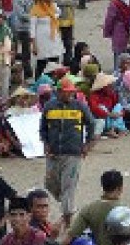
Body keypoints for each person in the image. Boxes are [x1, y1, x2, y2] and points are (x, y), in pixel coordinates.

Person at [40, 78, 95, 228]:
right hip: (53, 153)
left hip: (73, 153)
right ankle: (67, 206)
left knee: (68, 187)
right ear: (58, 92)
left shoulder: (80, 106)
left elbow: (92, 124)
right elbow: (43, 128)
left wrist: (88, 144)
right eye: (66, 92)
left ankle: (68, 221)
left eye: (71, 92)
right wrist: (45, 144)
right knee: (50, 184)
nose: (69, 95)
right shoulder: (49, 107)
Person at [63, 170, 130, 245]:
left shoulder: (89, 209)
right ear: (120, 188)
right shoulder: (127, 214)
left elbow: (69, 237)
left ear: (103, 186)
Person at [30, 0, 64, 79]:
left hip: (53, 38)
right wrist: (34, 45)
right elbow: (32, 28)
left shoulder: (53, 6)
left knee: (54, 61)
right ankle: (38, 83)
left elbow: (59, 13)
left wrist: (53, 7)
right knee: (42, 62)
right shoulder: (35, 9)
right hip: (41, 40)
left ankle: (54, 81)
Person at [11, 0, 34, 79]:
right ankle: (23, 73)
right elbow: (21, 15)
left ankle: (26, 72)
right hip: (20, 28)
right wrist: (34, 16)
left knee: (26, 51)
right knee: (22, 52)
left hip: (28, 27)